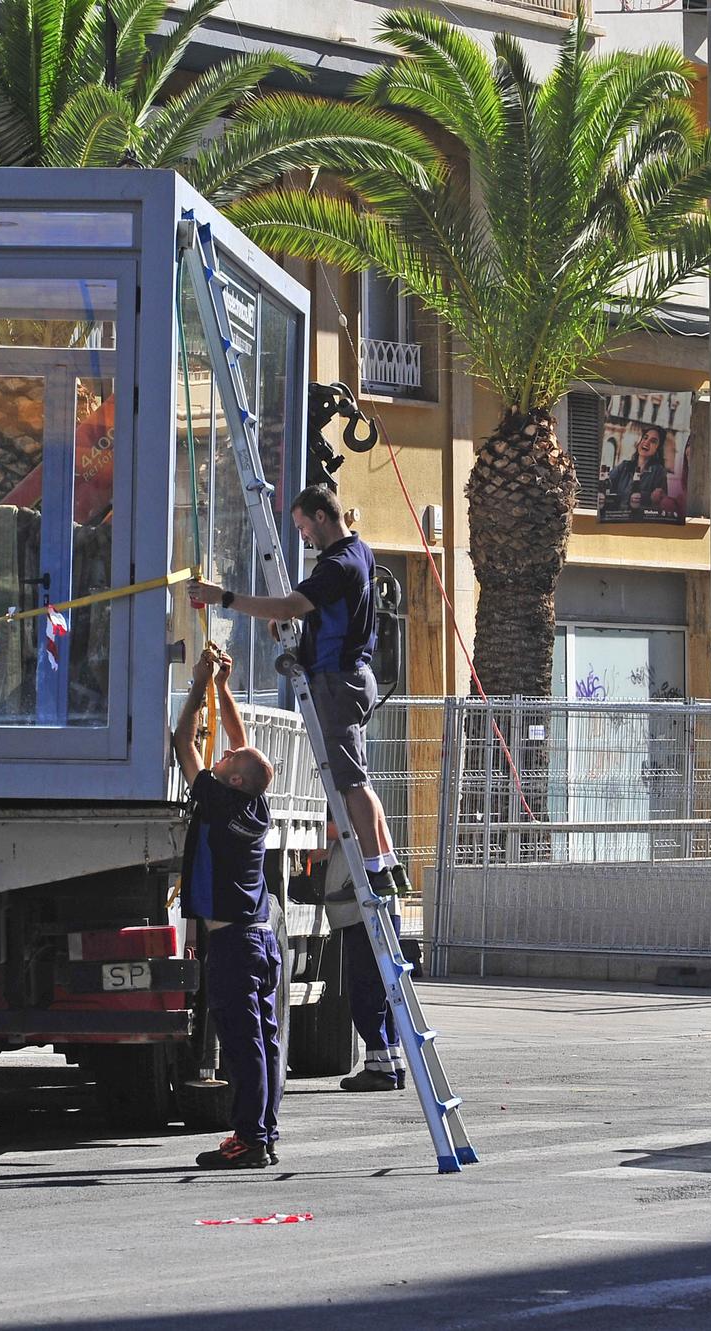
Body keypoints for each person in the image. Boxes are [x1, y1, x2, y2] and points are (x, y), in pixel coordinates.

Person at [188, 484, 404, 899]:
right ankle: (387, 864)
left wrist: (224, 598)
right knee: (360, 779)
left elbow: (289, 605)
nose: (303, 535)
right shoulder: (360, 552)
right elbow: (329, 615)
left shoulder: (336, 566)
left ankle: (375, 872)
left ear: (321, 516)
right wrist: (297, 630)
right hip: (355, 677)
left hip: (337, 682)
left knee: (351, 783)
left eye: (303, 526)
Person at [172, 644, 282, 1170]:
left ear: (233, 779)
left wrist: (197, 685)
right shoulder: (254, 802)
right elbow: (243, 744)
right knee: (265, 1038)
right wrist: (224, 688)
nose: (221, 753)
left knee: (243, 1044)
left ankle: (249, 1139)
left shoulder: (218, 797)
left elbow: (182, 743)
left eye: (227, 761)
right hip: (259, 935)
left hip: (235, 941)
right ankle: (265, 1130)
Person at [311, 820, 405, 1093]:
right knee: (381, 990)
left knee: (366, 991)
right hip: (375, 908)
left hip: (364, 909)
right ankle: (390, 1064)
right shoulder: (366, 809)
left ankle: (380, 1068)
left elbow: (345, 827)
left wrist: (313, 831)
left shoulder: (352, 804)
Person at [598, 425, 670, 516]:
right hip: (617, 518)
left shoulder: (659, 472)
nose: (646, 443)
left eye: (653, 441)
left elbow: (659, 502)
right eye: (645, 438)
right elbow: (607, 484)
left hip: (639, 522)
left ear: (658, 449)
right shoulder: (624, 466)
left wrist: (646, 498)